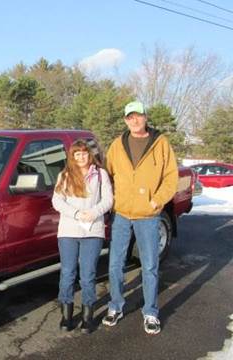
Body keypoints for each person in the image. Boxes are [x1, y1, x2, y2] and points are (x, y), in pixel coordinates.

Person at [102, 101, 179, 335]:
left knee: (149, 265)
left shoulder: (161, 143)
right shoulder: (117, 145)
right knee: (115, 264)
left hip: (148, 216)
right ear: (125, 120)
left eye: (138, 116)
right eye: (129, 117)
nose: (134, 120)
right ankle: (115, 306)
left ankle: (151, 312)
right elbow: (108, 175)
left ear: (145, 117)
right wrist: (111, 202)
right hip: (122, 214)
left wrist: (157, 201)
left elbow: (171, 177)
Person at [52, 139, 113, 333]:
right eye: (77, 154)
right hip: (68, 231)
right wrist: (77, 214)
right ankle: (66, 315)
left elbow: (108, 200)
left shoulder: (101, 174)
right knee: (68, 273)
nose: (81, 157)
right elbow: (57, 201)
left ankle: (88, 316)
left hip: (92, 231)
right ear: (72, 156)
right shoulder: (65, 175)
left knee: (88, 275)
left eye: (84, 153)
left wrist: (94, 213)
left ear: (89, 154)